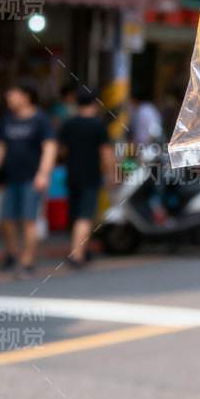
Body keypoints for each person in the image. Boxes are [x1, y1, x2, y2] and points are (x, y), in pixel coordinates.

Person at [0, 81, 57, 278]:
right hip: (10, 178)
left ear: (26, 96)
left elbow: (50, 147)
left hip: (31, 178)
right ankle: (13, 255)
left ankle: (27, 260)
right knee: (6, 220)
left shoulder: (41, 119)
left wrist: (43, 173)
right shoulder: (8, 120)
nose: (9, 98)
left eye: (13, 94)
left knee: (29, 221)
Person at [57, 89, 114, 268]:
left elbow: (61, 150)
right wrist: (112, 174)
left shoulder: (68, 124)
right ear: (95, 104)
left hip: (72, 174)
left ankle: (84, 249)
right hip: (91, 175)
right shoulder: (98, 125)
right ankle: (77, 255)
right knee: (86, 215)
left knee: (76, 215)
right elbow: (106, 153)